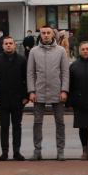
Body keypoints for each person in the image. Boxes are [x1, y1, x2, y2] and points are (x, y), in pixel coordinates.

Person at [27, 25, 70, 161]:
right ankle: (37, 150)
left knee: (60, 122)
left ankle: (60, 150)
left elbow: (65, 72)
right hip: (39, 92)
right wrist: (31, 91)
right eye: (43, 33)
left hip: (57, 92)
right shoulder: (34, 51)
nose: (46, 35)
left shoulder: (61, 51)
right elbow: (30, 73)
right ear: (40, 35)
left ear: (53, 35)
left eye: (48, 33)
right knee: (37, 122)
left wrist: (64, 90)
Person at [0, 36, 28, 161]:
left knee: (17, 126)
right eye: (6, 43)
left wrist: (26, 96)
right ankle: (5, 152)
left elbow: (26, 79)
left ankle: (17, 151)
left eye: (10, 43)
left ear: (14, 45)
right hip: (2, 99)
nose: (8, 45)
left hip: (18, 99)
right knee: (4, 127)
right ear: (2, 46)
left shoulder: (22, 60)